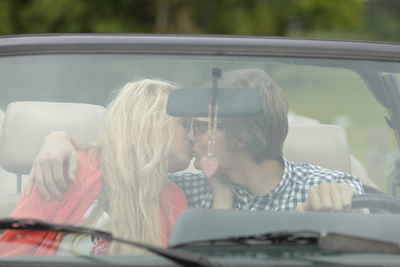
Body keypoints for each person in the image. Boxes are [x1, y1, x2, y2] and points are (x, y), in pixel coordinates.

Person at [26, 68, 363, 214]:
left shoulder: (328, 186)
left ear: (248, 137)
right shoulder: (180, 189)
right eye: (189, 125)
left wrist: (341, 208)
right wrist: (61, 138)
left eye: (202, 127)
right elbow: (121, 164)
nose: (192, 136)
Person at [0, 79, 195, 256]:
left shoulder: (174, 196)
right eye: (185, 123)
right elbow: (11, 256)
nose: (192, 136)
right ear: (152, 122)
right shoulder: (68, 171)